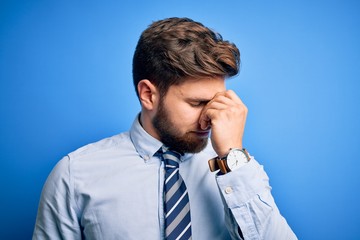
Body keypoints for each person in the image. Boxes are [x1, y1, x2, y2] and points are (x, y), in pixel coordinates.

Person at [33, 17, 297, 240]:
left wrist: (232, 158)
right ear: (148, 94)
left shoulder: (237, 172)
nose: (210, 118)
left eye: (217, 101)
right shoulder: (75, 175)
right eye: (197, 103)